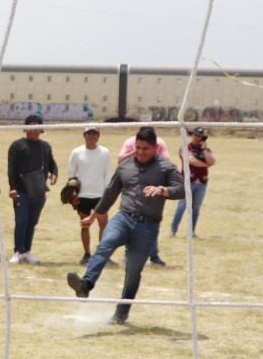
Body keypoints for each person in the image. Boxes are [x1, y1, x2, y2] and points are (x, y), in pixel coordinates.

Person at [64, 126, 184, 325]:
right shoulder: (125, 167)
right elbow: (110, 195)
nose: (140, 152)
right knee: (105, 245)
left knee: (133, 272)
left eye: (145, 148)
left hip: (148, 226)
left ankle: (121, 313)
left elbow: (181, 189)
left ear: (155, 147)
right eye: (137, 147)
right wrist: (93, 217)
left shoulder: (166, 167)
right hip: (123, 218)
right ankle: (86, 284)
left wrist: (163, 190)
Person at [7, 113, 59, 264]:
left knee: (32, 222)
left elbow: (52, 164)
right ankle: (18, 251)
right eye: (31, 126)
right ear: (25, 128)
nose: (34, 130)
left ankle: (27, 251)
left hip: (39, 191)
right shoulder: (17, 146)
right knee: (21, 221)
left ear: (41, 129)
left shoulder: (45, 146)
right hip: (22, 192)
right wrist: (13, 188)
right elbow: (12, 168)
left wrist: (54, 174)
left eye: (37, 127)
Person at [66, 125, 112, 263]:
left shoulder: (105, 152)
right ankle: (87, 254)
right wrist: (73, 194)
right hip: (83, 195)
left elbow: (108, 174)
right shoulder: (77, 152)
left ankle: (102, 255)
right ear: (84, 135)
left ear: (98, 136)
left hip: (100, 195)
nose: (91, 137)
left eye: (94, 134)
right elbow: (71, 174)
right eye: (89, 134)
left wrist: (107, 194)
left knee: (103, 224)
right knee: (85, 225)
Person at [171, 126, 215, 241]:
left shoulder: (206, 149)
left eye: (199, 136)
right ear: (192, 135)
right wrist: (206, 165)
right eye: (195, 135)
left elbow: (212, 161)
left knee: (196, 208)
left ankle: (191, 232)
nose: (197, 137)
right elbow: (191, 160)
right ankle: (173, 230)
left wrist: (204, 149)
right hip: (187, 182)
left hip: (202, 182)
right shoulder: (186, 148)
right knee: (182, 206)